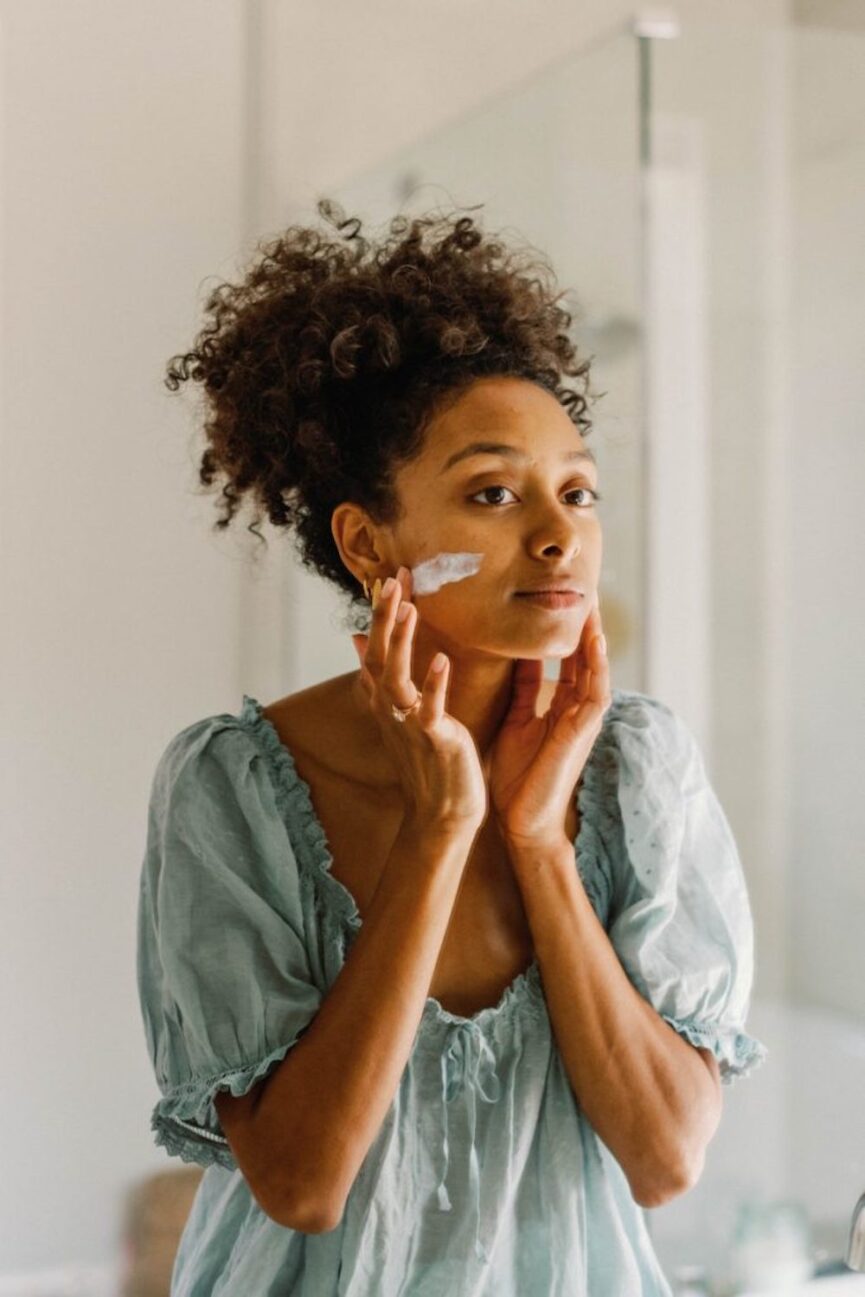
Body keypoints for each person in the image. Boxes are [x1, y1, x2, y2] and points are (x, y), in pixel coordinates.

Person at [136, 200, 768, 1296]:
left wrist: (538, 840)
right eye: (492, 492)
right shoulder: (229, 789)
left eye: (577, 489)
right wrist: (440, 829)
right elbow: (301, 1184)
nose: (558, 530)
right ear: (369, 541)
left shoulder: (640, 772)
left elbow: (666, 1158)